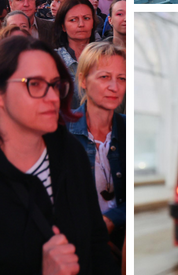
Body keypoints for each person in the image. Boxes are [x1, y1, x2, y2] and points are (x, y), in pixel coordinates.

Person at [0, 35, 118, 274]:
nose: (52, 97)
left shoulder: (69, 151)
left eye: (56, 84)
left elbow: (95, 242)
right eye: (34, 84)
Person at [67, 42, 127, 251]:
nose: (114, 87)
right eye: (104, 77)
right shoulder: (62, 132)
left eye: (122, 78)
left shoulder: (129, 128)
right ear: (83, 80)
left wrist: (112, 219)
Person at [53, 0, 97, 91]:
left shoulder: (105, 57)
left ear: (93, 22)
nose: (81, 24)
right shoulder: (52, 60)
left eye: (86, 18)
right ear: (63, 26)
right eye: (73, 20)